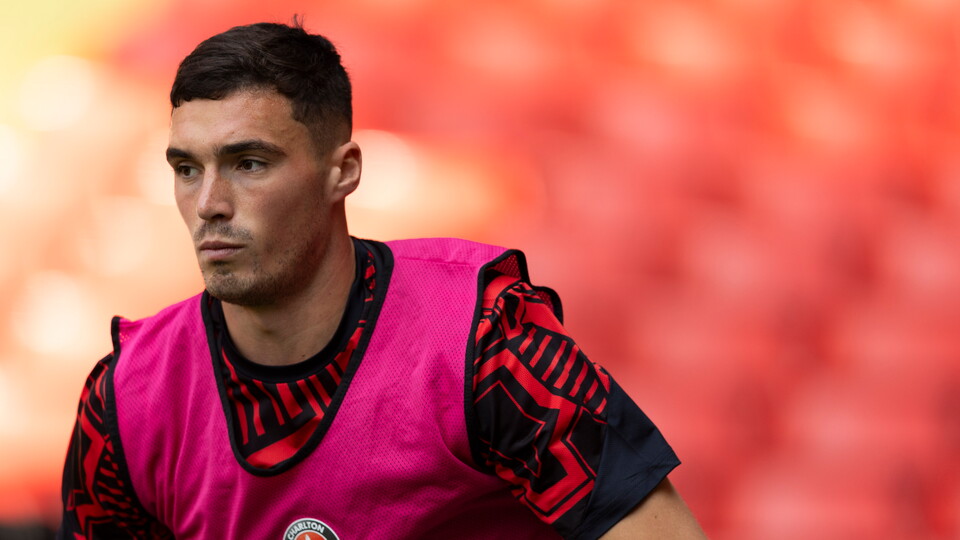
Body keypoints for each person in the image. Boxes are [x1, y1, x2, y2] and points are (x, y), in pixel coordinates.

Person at [58, 19, 706, 540]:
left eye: (249, 163)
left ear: (342, 172)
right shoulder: (125, 402)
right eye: (186, 168)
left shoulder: (488, 344)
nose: (209, 203)